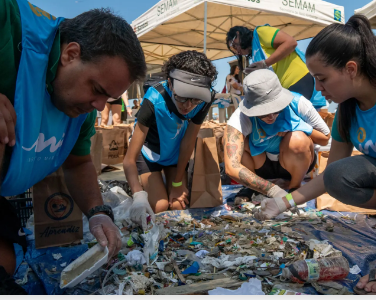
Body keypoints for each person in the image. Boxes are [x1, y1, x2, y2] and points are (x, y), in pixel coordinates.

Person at [253, 15, 376, 295]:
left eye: (322, 78)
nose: (317, 88)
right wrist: (283, 203)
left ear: (350, 69)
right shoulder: (347, 112)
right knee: (341, 175)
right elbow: (332, 174)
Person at [0, 0, 146, 293]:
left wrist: (98, 213)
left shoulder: (84, 110)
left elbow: (78, 162)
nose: (99, 106)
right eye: (97, 90)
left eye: (109, 99)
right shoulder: (8, 19)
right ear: (70, 54)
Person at [124, 51, 217, 227]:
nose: (188, 106)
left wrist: (176, 183)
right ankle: (145, 185)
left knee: (177, 206)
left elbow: (189, 141)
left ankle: (167, 181)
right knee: (160, 206)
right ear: (170, 83)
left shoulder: (205, 99)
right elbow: (129, 159)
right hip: (149, 153)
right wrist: (138, 196)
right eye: (181, 97)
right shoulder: (153, 100)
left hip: (175, 152)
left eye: (195, 99)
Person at [224, 69, 330, 204]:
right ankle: (252, 187)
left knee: (297, 138)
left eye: (276, 109)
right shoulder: (241, 116)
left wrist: (299, 126)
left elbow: (325, 138)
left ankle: (294, 188)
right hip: (261, 165)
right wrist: (273, 190)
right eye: (263, 112)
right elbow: (231, 166)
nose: (271, 116)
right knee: (234, 141)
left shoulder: (298, 103)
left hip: (293, 163)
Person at [226, 25, 326, 109]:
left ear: (238, 34)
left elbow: (291, 42)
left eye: (234, 44)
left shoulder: (260, 32)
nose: (236, 51)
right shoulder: (255, 52)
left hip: (298, 78)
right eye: (233, 49)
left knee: (295, 123)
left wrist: (265, 63)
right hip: (285, 89)